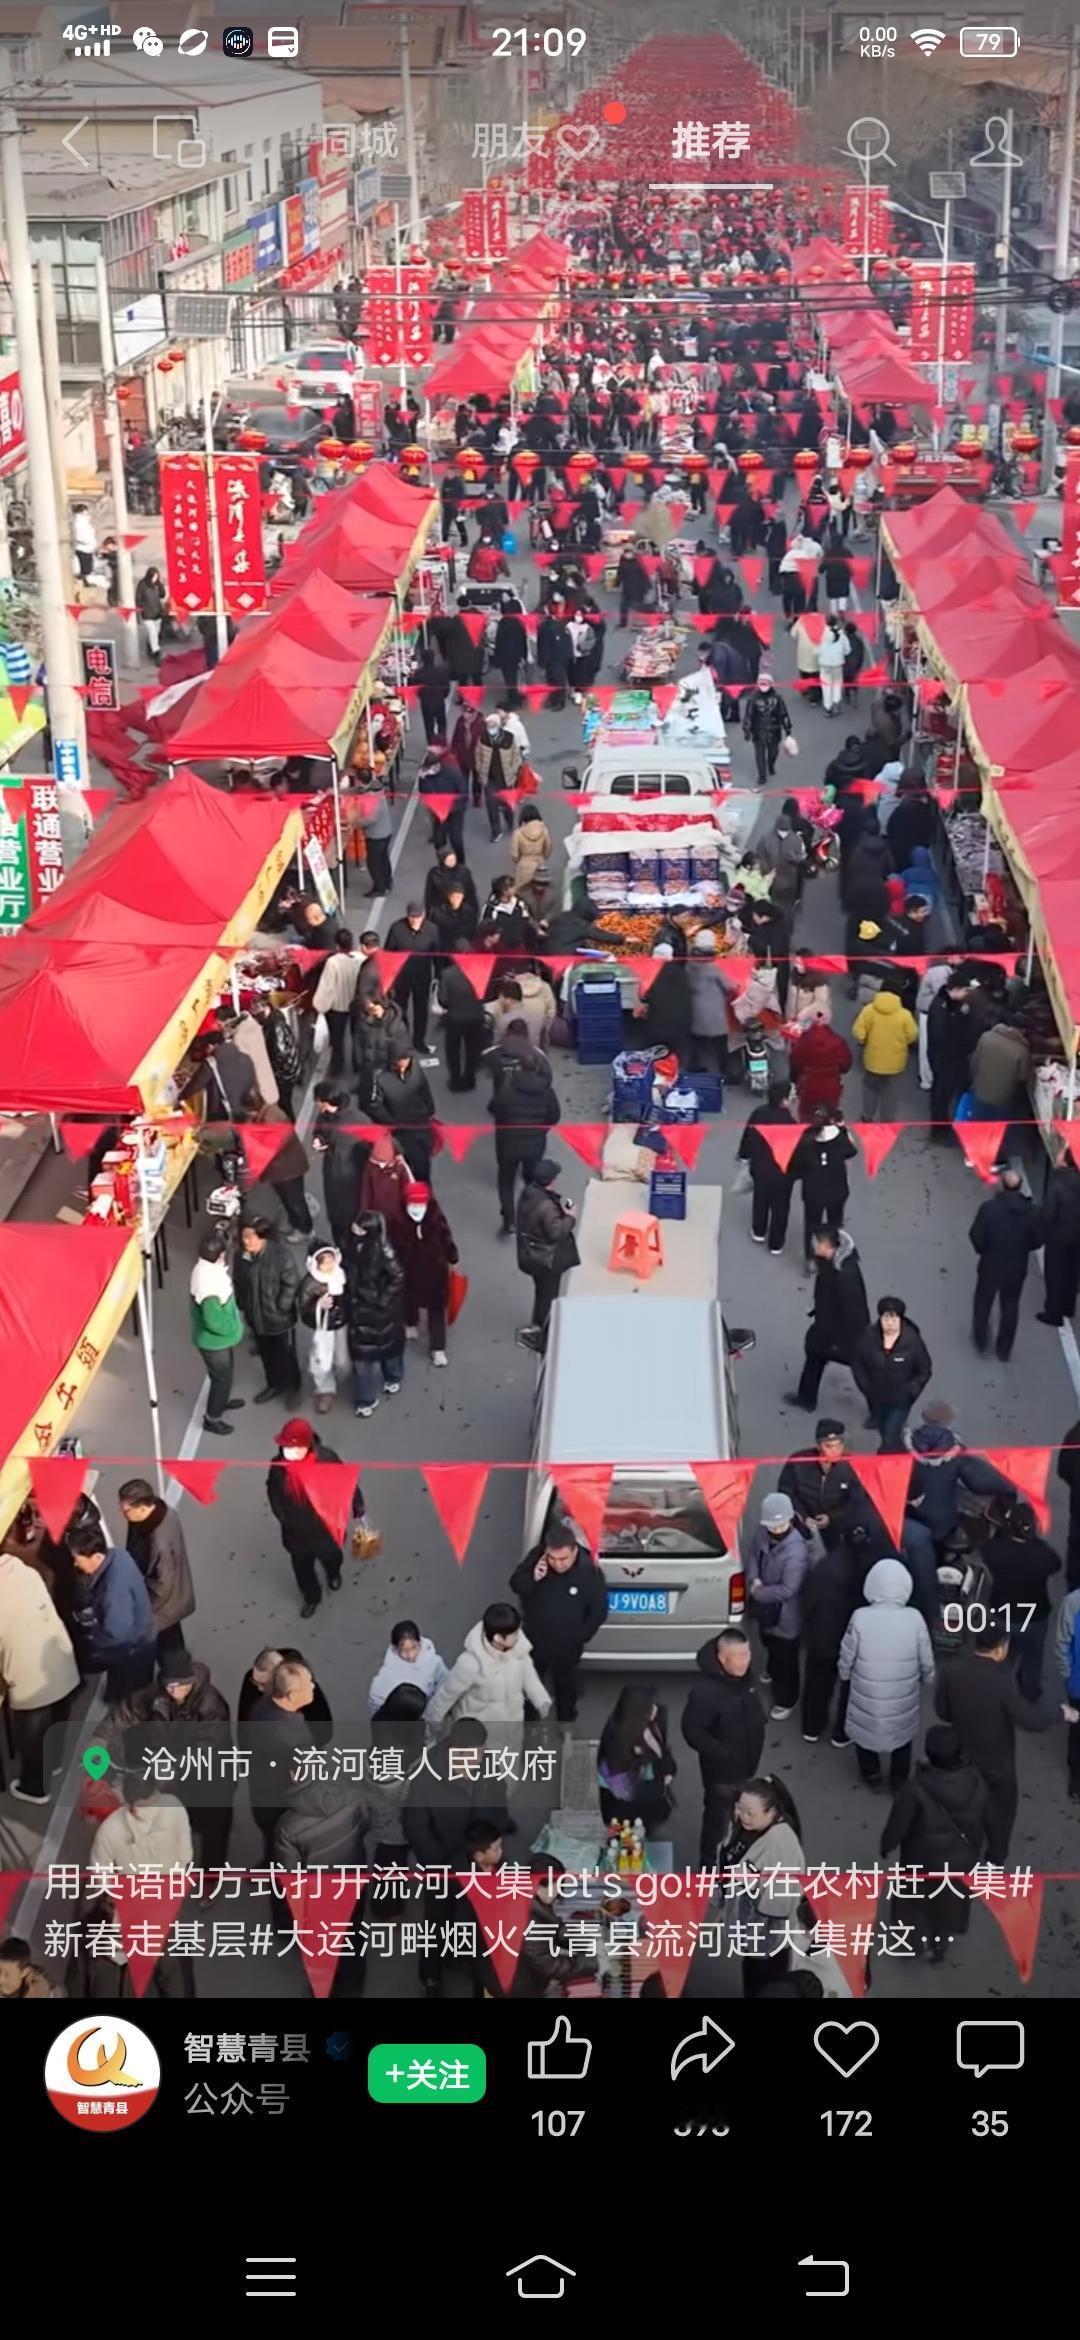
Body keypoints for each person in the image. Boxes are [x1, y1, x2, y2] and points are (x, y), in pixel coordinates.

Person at [935, 1618, 1072, 1862]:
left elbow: (942, 1711)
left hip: (963, 1755)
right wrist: (1061, 1712)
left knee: (965, 1805)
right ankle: (995, 1856)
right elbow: (1029, 1719)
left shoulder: (951, 1670)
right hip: (997, 1761)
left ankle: (967, 1847)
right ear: (1000, 1648)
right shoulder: (1002, 1681)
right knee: (1002, 1809)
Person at [877, 1724, 988, 1968]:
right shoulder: (976, 1779)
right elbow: (989, 1818)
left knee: (912, 1903)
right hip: (962, 1858)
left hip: (922, 1860)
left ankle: (911, 1945)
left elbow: (898, 1825)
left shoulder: (915, 1789)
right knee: (948, 1903)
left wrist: (886, 1845)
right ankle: (940, 1945)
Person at [838, 1557, 934, 1789]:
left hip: (866, 1691)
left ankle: (872, 1775)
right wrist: (928, 1676)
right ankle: (898, 1780)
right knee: (902, 1736)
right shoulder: (914, 1618)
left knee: (865, 1734)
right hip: (902, 1692)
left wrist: (844, 1674)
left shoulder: (860, 1616)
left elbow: (847, 1653)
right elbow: (926, 1655)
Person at [508, 1517, 608, 1720]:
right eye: (552, 1558)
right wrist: (533, 1578)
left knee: (565, 1686)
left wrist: (580, 1635)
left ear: (574, 1552)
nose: (558, 1564)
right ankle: (530, 1720)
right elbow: (516, 1584)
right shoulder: (537, 1558)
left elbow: (598, 1610)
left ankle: (566, 1721)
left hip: (567, 1646)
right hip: (534, 1640)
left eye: (563, 1559)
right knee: (531, 1683)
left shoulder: (589, 1571)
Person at [0, 1548, 79, 1803]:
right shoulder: (22, 1570)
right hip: (58, 1656)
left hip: (30, 1672)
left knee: (32, 1736)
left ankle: (36, 1788)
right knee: (57, 1717)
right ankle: (54, 1763)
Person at [716, 1777, 807, 1997]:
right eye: (740, 1808)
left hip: (768, 1935)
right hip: (749, 1927)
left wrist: (751, 1883)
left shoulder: (781, 1845)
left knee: (764, 1979)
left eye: (750, 1813)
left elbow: (781, 1902)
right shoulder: (744, 1825)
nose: (742, 1816)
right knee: (752, 1969)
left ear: (772, 1812)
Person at [681, 1627, 765, 1862]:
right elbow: (692, 1731)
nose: (745, 1660)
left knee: (740, 1822)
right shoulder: (705, 1692)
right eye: (738, 1655)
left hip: (746, 1765)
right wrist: (722, 1753)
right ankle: (708, 1874)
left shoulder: (746, 1678)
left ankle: (734, 1865)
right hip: (721, 1774)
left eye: (747, 1653)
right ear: (721, 1657)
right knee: (716, 1826)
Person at [267, 1416, 362, 1618]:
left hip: (325, 1527)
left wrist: (357, 1503)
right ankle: (311, 1597)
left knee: (332, 1556)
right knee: (301, 1568)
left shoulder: (326, 1459)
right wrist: (283, 1517)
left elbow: (346, 1481)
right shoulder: (278, 1467)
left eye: (294, 1447)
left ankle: (333, 1573)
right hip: (295, 1531)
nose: (288, 1452)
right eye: (285, 1447)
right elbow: (273, 1492)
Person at [68, 1520, 157, 1704]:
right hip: (143, 1637)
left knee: (129, 1702)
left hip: (132, 1652)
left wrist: (95, 1639)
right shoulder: (119, 1556)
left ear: (94, 1556)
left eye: (78, 1560)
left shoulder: (113, 1590)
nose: (76, 1565)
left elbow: (117, 1633)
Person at [427, 1601, 553, 1730]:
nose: (519, 1635)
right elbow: (447, 1694)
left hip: (511, 1727)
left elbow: (529, 1677)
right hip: (478, 1731)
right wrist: (431, 1722)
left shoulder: (519, 1652)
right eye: (514, 1633)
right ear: (498, 1638)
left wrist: (540, 1699)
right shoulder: (470, 1663)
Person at [981, 1499, 1060, 1702]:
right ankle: (1029, 1693)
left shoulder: (994, 1550)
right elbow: (1056, 1563)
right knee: (1033, 1658)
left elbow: (987, 1546)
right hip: (1033, 1616)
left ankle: (999, 1692)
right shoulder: (1043, 1556)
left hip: (1003, 1613)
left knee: (1002, 1655)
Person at [785, 1227, 870, 1412]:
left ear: (830, 1247)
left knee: (863, 1372)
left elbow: (854, 1313)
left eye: (819, 1243)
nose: (815, 1246)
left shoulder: (845, 1277)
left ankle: (881, 1411)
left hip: (845, 1337)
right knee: (815, 1358)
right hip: (827, 1330)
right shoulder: (832, 1264)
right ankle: (806, 1398)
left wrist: (838, 1341)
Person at [247, 1654, 319, 1857]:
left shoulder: (261, 1706)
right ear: (291, 1694)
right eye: (308, 1685)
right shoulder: (296, 1738)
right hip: (283, 1810)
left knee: (272, 1847)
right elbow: (305, 1784)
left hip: (261, 1797)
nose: (313, 1687)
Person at [747, 1491, 811, 1720]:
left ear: (790, 1520)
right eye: (771, 1525)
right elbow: (754, 1555)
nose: (775, 1529)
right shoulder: (762, 1533)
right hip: (768, 1611)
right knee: (770, 1642)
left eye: (780, 1524)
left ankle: (787, 1700)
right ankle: (772, 1669)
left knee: (787, 1660)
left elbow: (788, 1590)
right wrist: (754, 1577)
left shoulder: (797, 1552)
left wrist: (758, 1591)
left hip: (786, 1616)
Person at [800, 1530, 865, 1746]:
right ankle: (841, 1732)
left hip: (820, 1636)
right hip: (847, 1638)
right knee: (849, 1687)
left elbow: (806, 1599)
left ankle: (812, 1727)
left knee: (817, 1683)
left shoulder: (824, 1566)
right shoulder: (862, 1571)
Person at [118, 1481, 194, 1665]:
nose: (123, 1514)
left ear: (143, 1508)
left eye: (127, 1510)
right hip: (170, 1599)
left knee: (167, 1643)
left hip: (164, 1605)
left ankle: (177, 1673)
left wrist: (145, 1606)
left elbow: (163, 1584)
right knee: (171, 1637)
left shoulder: (159, 1542)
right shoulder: (160, 1516)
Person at [969, 1168, 1039, 1361]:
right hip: (1016, 1266)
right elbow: (1037, 1239)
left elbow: (976, 1235)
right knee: (1010, 1305)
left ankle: (981, 1341)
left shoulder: (990, 1208)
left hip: (991, 1264)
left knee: (983, 1303)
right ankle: (1004, 1349)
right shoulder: (1031, 1212)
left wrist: (985, 1251)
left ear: (1002, 1184)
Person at [492, 1047, 561, 1236]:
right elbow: (554, 1116)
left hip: (508, 1144)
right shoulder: (546, 1091)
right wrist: (541, 1131)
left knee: (506, 1181)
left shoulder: (508, 1088)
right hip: (534, 1145)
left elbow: (495, 1109)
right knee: (532, 1181)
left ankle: (509, 1220)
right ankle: (531, 1215)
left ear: (519, 1068)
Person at [345, 1208, 406, 1418]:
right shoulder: (351, 1245)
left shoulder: (383, 1249)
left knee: (386, 1346)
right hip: (359, 1308)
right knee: (364, 1354)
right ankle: (366, 1398)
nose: (354, 1229)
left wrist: (382, 1300)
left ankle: (393, 1377)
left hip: (379, 1310)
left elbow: (397, 1276)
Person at [233, 1216, 301, 1404]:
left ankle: (294, 1388)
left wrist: (281, 1307)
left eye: (250, 1237)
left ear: (263, 1237)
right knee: (266, 1355)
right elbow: (238, 1281)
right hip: (256, 1317)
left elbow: (291, 1283)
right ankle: (274, 1384)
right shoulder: (241, 1257)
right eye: (244, 1236)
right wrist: (242, 1303)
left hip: (280, 1320)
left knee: (287, 1355)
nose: (246, 1241)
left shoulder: (280, 1256)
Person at [515, 1157, 578, 1354]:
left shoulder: (529, 1194)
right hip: (547, 1259)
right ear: (550, 1180)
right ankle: (542, 1337)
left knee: (541, 1292)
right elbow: (556, 1233)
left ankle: (537, 1326)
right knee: (548, 1296)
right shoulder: (546, 1207)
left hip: (531, 1254)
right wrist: (570, 1216)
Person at [509, 1861, 598, 1999]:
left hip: (530, 1976)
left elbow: (556, 1928)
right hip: (522, 1988)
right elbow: (549, 1965)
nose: (558, 1891)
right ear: (538, 1887)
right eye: (556, 1886)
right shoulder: (528, 1922)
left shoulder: (534, 1901)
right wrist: (592, 1962)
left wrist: (587, 1942)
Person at [189, 1226, 245, 1436]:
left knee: (221, 1376)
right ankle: (213, 1417)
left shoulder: (203, 1269)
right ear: (220, 1256)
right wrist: (234, 1327)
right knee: (222, 1378)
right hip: (214, 1342)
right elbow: (213, 1320)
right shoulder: (209, 1284)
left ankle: (220, 1402)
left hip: (215, 1342)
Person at [597, 1685, 677, 1831]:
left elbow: (663, 1749)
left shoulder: (651, 1723)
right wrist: (657, 1784)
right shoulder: (618, 1743)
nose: (656, 1709)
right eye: (650, 1707)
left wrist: (667, 1769)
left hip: (645, 1788)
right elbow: (623, 1789)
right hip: (629, 1802)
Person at [398, 1179, 458, 1365]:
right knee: (409, 1298)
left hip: (435, 1272)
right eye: (413, 1203)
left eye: (419, 1203)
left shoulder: (435, 1218)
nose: (416, 1208)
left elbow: (447, 1238)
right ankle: (411, 1322)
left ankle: (438, 1348)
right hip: (410, 1270)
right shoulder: (399, 1219)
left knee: (437, 1309)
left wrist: (452, 1258)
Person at [789, 1107, 859, 1265]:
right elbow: (852, 1151)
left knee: (812, 1225)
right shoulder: (840, 1137)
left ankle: (810, 1258)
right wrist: (843, 1129)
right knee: (835, 1223)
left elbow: (795, 1165)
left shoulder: (806, 1139)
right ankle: (833, 1253)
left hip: (813, 1192)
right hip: (837, 1190)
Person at [738, 1081, 796, 1255]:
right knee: (781, 1207)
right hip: (783, 1173)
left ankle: (759, 1230)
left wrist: (744, 1155)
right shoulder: (791, 1123)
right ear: (783, 1100)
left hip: (761, 1168)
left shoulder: (759, 1113)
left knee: (760, 1199)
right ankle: (776, 1243)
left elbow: (748, 1136)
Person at [296, 1240, 349, 1413]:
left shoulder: (341, 1275)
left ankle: (335, 1378)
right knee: (321, 1360)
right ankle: (325, 1390)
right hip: (322, 1328)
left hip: (341, 1323)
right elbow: (303, 1309)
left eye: (331, 1260)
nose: (329, 1265)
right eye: (324, 1262)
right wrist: (317, 1305)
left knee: (342, 1361)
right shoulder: (310, 1283)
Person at [851, 982, 918, 1120]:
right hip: (895, 1063)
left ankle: (867, 1115)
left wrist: (863, 1040)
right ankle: (887, 1119)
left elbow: (858, 1031)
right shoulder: (904, 1014)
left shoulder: (869, 1010)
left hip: (873, 1060)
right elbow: (913, 1034)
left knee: (870, 1088)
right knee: (890, 1093)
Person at [370, 1045, 437, 1183]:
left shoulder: (415, 1068)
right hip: (402, 1130)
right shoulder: (381, 1077)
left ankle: (424, 1190)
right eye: (401, 1059)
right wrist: (392, 1122)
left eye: (406, 1059)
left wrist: (430, 1109)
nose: (404, 1063)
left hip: (421, 1123)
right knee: (412, 1165)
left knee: (424, 1162)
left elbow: (424, 1088)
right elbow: (376, 1106)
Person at [384, 903, 440, 1061]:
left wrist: (438, 976)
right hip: (401, 977)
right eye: (411, 917)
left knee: (421, 1010)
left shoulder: (432, 930)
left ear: (423, 916)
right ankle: (404, 1039)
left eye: (418, 917)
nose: (414, 920)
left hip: (423, 976)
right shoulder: (396, 928)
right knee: (400, 1008)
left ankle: (419, 1040)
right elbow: (388, 954)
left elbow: (438, 953)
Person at [1035, 1149, 1080, 1326]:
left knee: (1055, 1274)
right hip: (1077, 1235)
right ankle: (1067, 1307)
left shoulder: (1059, 1184)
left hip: (1059, 1235)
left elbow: (1049, 1213)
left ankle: (1053, 1313)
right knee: (1072, 1272)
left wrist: (1039, 1234)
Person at [368, 1619, 448, 1715]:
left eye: (414, 1647)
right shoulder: (386, 1675)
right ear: (396, 1649)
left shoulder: (434, 1662)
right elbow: (377, 1707)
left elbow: (445, 1686)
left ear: (420, 1642)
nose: (410, 1655)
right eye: (404, 1650)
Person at [353, 990, 411, 1110]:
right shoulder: (363, 1022)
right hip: (367, 1068)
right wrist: (359, 1060)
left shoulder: (396, 1026)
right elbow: (358, 1042)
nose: (372, 1012)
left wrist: (395, 1070)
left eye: (375, 1008)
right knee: (366, 1098)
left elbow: (402, 1051)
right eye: (369, 1009)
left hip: (386, 1070)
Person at [789, 1015, 852, 1120]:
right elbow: (846, 1065)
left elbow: (795, 1063)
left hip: (808, 1085)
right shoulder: (838, 1042)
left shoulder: (803, 1043)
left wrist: (795, 1079)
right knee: (830, 1113)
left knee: (806, 1114)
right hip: (832, 1085)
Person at [473, 712, 523, 842]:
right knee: (491, 806)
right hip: (489, 779)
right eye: (489, 725)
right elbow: (477, 755)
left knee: (508, 805)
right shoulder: (483, 738)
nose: (491, 727)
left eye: (493, 725)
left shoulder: (509, 738)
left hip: (506, 778)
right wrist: (480, 769)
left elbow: (516, 756)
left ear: (499, 725)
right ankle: (496, 831)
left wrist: (512, 771)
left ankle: (510, 823)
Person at [969, 1018, 1031, 1120]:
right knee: (996, 1130)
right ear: (1022, 1031)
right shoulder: (1022, 1051)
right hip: (1002, 1100)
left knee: (978, 1125)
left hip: (979, 1093)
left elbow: (974, 1062)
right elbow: (1023, 1077)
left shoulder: (986, 1037)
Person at [742, 670, 792, 787]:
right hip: (758, 731)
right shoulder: (753, 700)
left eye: (766, 683)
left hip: (774, 731)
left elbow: (784, 714)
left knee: (773, 753)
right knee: (759, 755)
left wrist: (787, 729)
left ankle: (770, 765)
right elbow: (748, 716)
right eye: (761, 683)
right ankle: (762, 775)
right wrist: (747, 730)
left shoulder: (777, 699)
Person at [510, 802, 552, 914]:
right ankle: (540, 917)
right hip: (539, 864)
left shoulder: (518, 833)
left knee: (522, 895)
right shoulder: (544, 831)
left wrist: (518, 861)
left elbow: (514, 854)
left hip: (524, 865)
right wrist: (543, 857)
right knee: (540, 895)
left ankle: (526, 917)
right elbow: (548, 849)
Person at [358, 789, 393, 898]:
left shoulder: (372, 800)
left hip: (377, 836)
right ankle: (387, 882)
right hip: (386, 832)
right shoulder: (378, 793)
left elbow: (370, 819)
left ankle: (380, 888)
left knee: (374, 863)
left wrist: (355, 822)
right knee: (383, 859)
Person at [413, 645, 451, 743]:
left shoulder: (419, 673)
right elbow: (447, 686)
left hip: (426, 702)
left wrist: (421, 696)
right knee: (441, 723)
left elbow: (416, 689)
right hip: (439, 701)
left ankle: (431, 743)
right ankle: (442, 741)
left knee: (428, 724)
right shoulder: (441, 671)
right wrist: (443, 695)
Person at [493, 597, 529, 701]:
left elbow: (499, 641)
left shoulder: (504, 623)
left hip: (506, 656)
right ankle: (518, 696)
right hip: (517, 655)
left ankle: (513, 699)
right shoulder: (519, 623)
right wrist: (524, 655)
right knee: (517, 677)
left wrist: (497, 656)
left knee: (510, 679)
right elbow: (523, 640)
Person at [135, 564, 166, 659]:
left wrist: (160, 585)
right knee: (153, 633)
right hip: (147, 614)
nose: (155, 579)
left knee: (156, 633)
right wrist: (138, 614)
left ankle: (151, 647)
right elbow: (138, 599)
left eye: (157, 577)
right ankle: (156, 652)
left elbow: (162, 595)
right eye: (154, 577)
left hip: (157, 613)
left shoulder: (157, 585)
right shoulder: (142, 585)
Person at [817, 616, 847, 714]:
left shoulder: (822, 634)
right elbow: (847, 650)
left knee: (826, 685)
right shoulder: (841, 635)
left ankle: (827, 707)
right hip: (837, 664)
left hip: (825, 664)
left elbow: (817, 648)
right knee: (837, 684)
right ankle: (836, 703)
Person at [71, 500, 98, 582]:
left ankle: (86, 581)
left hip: (86, 548)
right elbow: (79, 535)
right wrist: (88, 541)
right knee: (85, 568)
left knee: (87, 567)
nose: (87, 513)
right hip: (84, 548)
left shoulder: (82, 520)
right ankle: (85, 581)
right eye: (85, 511)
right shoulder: (79, 521)